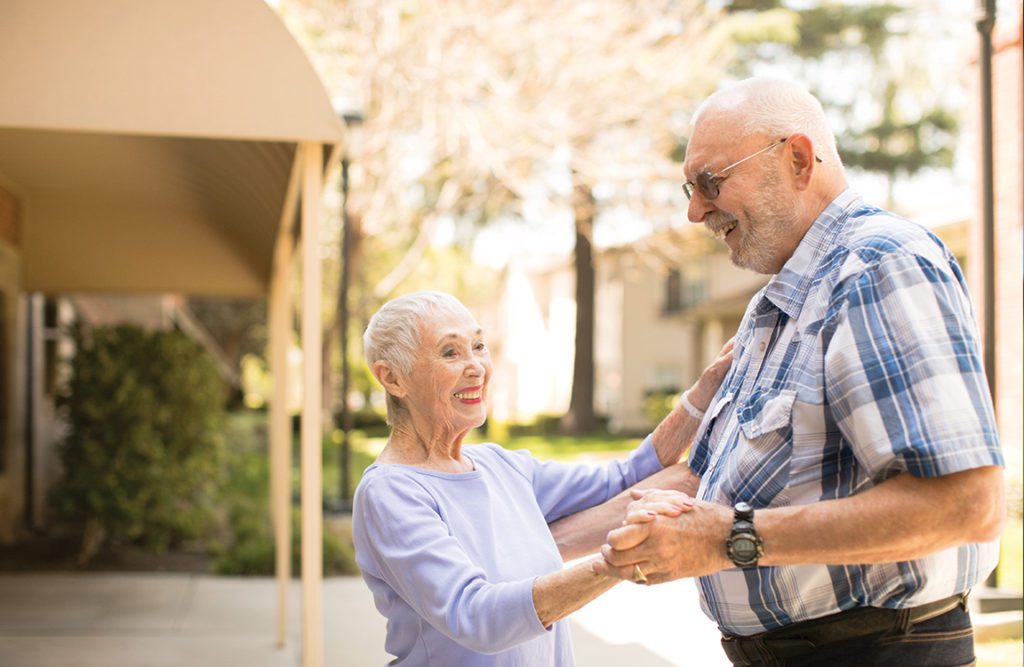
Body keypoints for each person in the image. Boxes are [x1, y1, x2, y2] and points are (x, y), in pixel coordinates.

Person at [594, 77, 1006, 667]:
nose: (693, 211)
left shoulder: (877, 266)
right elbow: (698, 486)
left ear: (797, 159)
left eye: (711, 181)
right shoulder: (779, 301)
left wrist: (728, 540)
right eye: (690, 187)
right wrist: (526, 544)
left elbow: (966, 504)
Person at [351, 290, 733, 666]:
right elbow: (476, 616)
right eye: (450, 352)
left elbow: (626, 478)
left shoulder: (500, 465)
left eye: (479, 346)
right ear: (393, 378)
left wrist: (707, 388)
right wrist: (623, 562)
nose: (476, 367)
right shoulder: (391, 492)